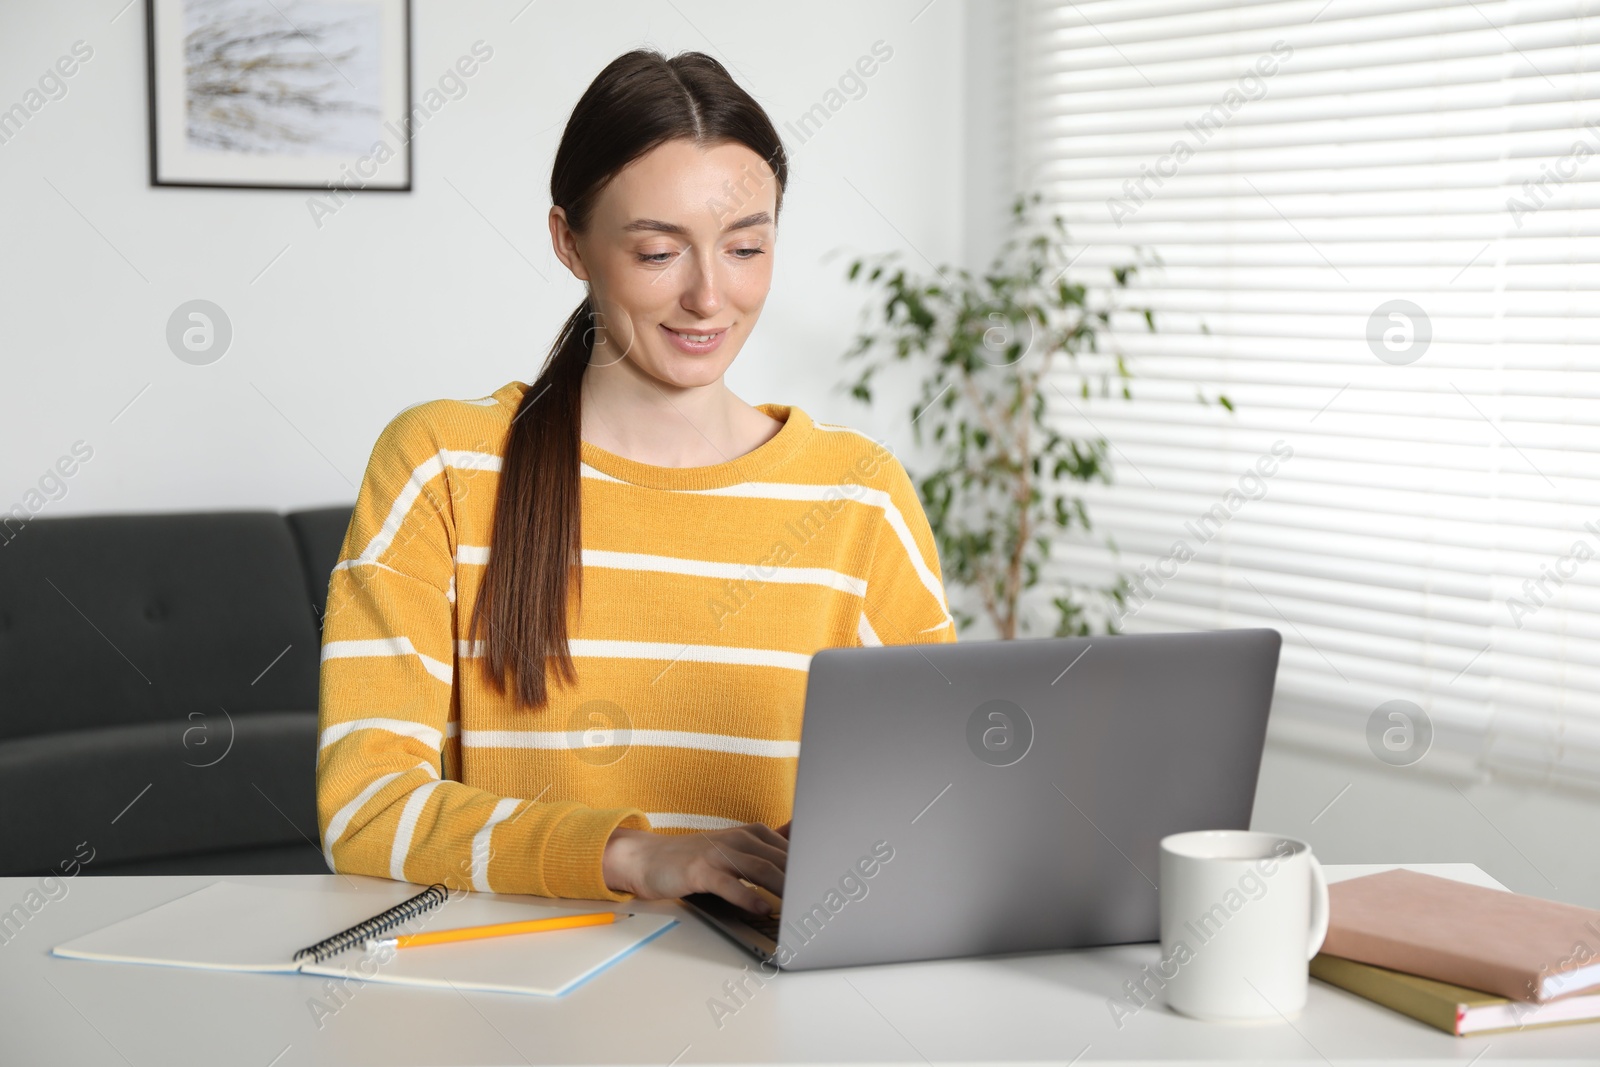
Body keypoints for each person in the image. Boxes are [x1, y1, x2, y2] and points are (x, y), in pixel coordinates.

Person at [315, 49, 954, 916]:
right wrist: (636, 854)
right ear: (569, 243)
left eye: (745, 247)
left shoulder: (862, 497)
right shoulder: (440, 466)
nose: (708, 295)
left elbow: (942, 799)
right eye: (658, 252)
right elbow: (365, 808)